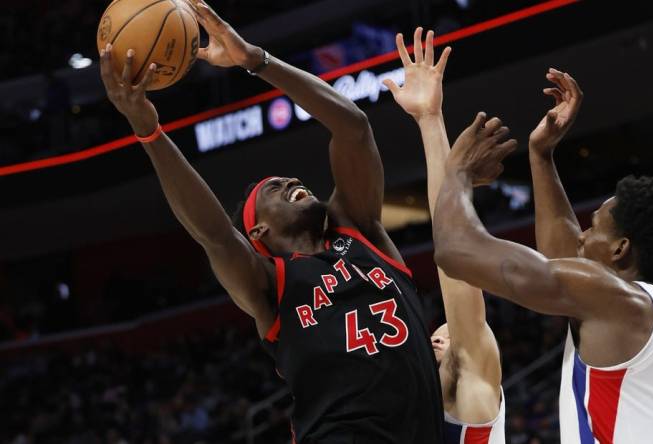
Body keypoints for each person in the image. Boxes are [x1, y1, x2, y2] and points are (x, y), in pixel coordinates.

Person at [97, 1, 443, 441]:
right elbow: (215, 235)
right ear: (259, 232)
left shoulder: (360, 230)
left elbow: (352, 126)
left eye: (288, 179)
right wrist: (149, 132)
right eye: (274, 189)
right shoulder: (270, 285)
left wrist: (255, 60)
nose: (292, 181)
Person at [431, 70, 653, 443]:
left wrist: (458, 173)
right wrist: (541, 154)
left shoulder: (615, 301)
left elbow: (456, 252)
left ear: (620, 248)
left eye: (594, 227)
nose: (582, 236)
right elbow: (566, 256)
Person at [385, 29, 504, 443]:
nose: (436, 335)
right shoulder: (413, 419)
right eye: (436, 332)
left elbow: (452, 252)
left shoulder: (471, 396)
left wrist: (430, 121)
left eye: (445, 331)